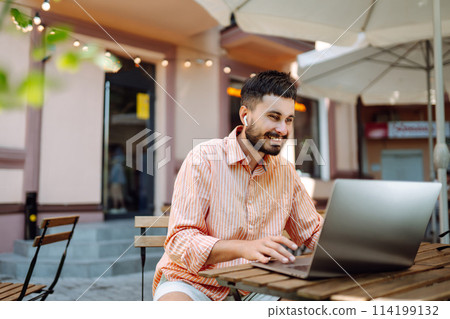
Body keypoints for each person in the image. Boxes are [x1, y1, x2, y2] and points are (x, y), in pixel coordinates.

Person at [153, 70, 323, 301]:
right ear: (245, 115)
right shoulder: (203, 158)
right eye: (273, 117)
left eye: (288, 119)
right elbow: (180, 240)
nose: (283, 130)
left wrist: (366, 241)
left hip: (258, 286)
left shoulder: (286, 171)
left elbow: (312, 232)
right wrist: (243, 248)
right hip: (192, 282)